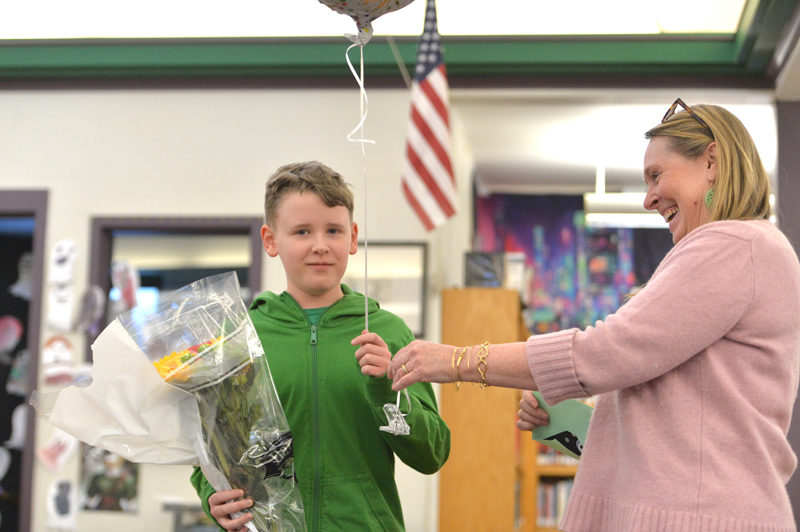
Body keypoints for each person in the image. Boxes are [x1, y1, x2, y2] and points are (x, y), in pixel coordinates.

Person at [388, 100, 800, 531]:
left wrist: (457, 361)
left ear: (711, 161)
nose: (648, 199)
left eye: (657, 175)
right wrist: (572, 422)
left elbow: (605, 352)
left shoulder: (735, 245)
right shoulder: (739, 251)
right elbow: (682, 434)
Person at [190, 161, 450, 531]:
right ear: (270, 240)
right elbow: (208, 452)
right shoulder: (240, 338)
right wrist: (211, 497)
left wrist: (386, 393)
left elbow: (432, 454)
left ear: (353, 237)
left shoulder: (388, 333)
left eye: (333, 230)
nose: (320, 246)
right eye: (301, 231)